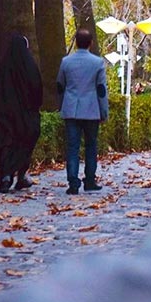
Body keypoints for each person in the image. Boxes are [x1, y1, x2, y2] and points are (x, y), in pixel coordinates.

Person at [57, 29, 109, 195]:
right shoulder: (97, 62)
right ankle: (89, 180)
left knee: (72, 147)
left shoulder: (66, 62)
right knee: (91, 145)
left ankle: (73, 181)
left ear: (76, 42)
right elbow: (101, 89)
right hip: (91, 109)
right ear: (91, 43)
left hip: (71, 109)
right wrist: (104, 111)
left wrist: (62, 105)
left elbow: (60, 85)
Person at [0, 33, 43, 194]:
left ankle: (6, 175)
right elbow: (37, 88)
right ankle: (21, 174)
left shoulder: (2, 66)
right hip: (25, 115)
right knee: (24, 142)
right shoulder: (30, 66)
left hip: (3, 113)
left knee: (6, 143)